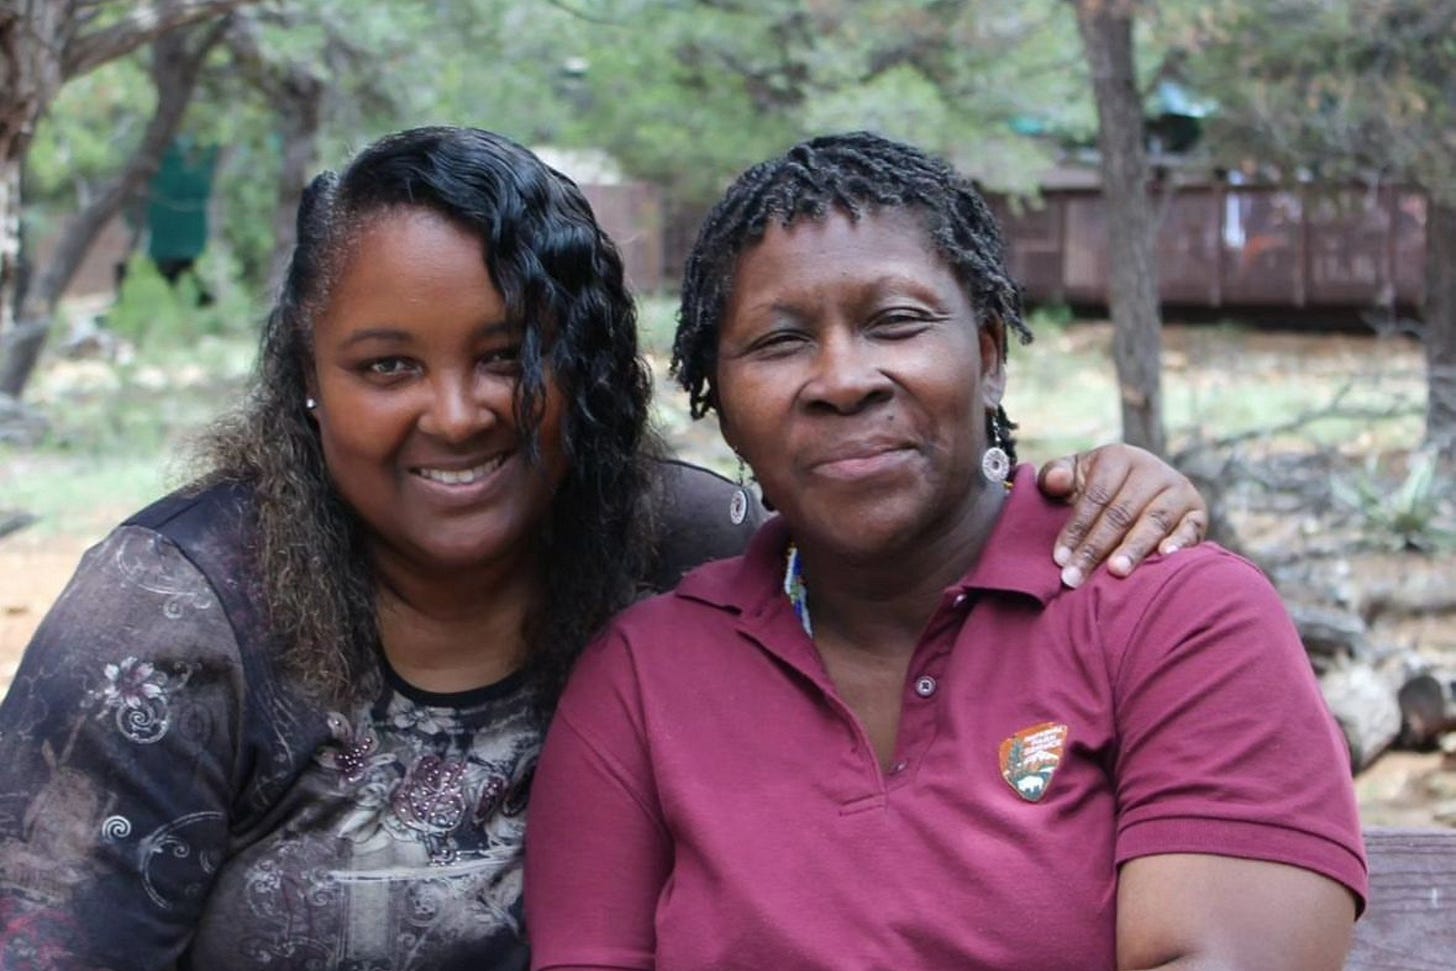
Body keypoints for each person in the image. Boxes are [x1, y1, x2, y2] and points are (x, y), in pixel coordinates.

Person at [0, 127, 1206, 971]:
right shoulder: (172, 617)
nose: (459, 410)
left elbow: (895, 504)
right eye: (385, 367)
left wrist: (1090, 483)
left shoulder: (688, 543)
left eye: (509, 354)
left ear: (584, 368)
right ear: (305, 386)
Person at [524, 132, 1367, 971]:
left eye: (896, 323)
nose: (844, 378)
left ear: (990, 356)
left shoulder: (1173, 616)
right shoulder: (644, 675)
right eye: (779, 342)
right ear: (723, 403)